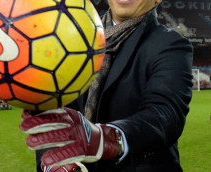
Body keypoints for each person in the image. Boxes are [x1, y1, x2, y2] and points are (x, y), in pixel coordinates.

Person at [20, 0, 193, 171]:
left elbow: (165, 114)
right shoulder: (73, 38)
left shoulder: (171, 45)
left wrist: (108, 139)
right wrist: (54, 162)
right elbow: (54, 112)